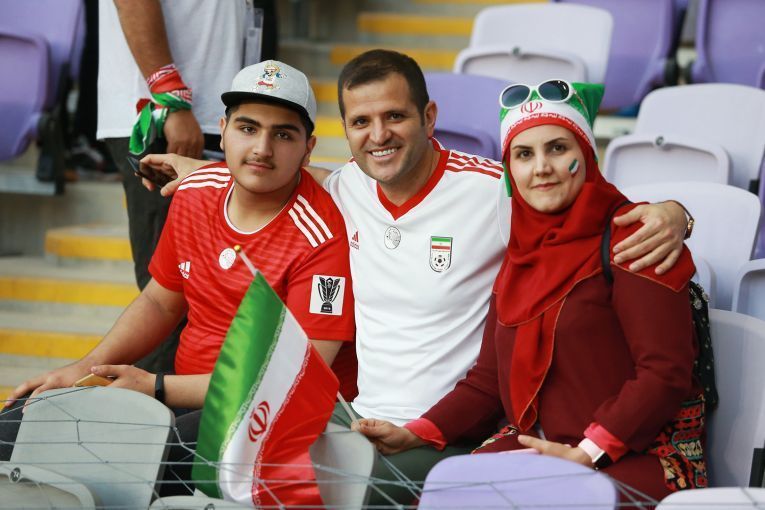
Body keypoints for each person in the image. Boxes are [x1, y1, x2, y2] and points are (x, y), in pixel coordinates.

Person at [140, 50, 692, 503]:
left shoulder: (496, 192)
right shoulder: (345, 189)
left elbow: (581, 205)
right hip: (359, 420)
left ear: (429, 117)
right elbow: (271, 171)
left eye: (395, 117)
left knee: (322, 491)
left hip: (457, 433)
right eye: (361, 122)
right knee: (187, 446)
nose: (378, 135)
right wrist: (206, 172)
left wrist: (676, 213)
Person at [353, 80, 707, 503]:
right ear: (510, 171)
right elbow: (487, 382)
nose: (541, 168)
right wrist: (415, 432)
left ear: (586, 155)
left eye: (557, 148)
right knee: (440, 496)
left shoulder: (635, 237)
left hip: (635, 453)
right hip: (538, 447)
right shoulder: (519, 253)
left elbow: (663, 373)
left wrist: (587, 451)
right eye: (523, 155)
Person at [2, 61, 355, 465]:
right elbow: (160, 302)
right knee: (19, 425)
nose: (262, 148)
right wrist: (84, 369)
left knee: (128, 460)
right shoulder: (195, 192)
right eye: (248, 128)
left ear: (308, 149)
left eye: (283, 134)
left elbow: (298, 377)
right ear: (222, 131)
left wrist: (155, 386)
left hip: (266, 412)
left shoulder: (323, 234)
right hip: (180, 398)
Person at [97, 0, 252, 372]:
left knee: (204, 300)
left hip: (212, 117)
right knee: (171, 301)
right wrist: (170, 99)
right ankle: (146, 406)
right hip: (166, 118)